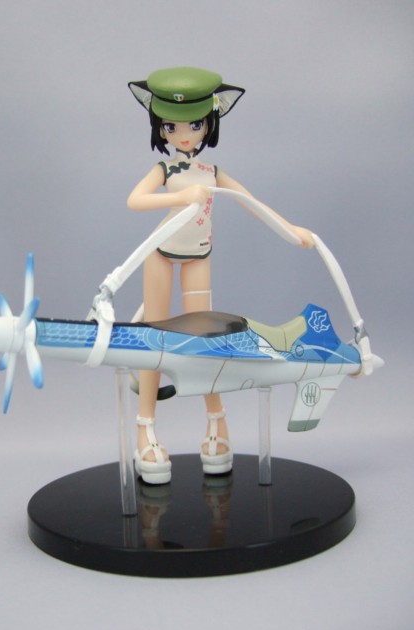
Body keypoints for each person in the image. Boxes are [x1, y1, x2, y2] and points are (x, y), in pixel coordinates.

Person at [127, 67, 313, 484]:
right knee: (154, 339)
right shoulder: (165, 171)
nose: (184, 135)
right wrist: (180, 196)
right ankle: (145, 428)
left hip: (198, 255)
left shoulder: (212, 173)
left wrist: (291, 230)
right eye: (171, 127)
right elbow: (134, 200)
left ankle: (217, 422)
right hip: (160, 254)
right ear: (160, 127)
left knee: (206, 339)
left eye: (194, 125)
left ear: (210, 122)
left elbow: (252, 202)